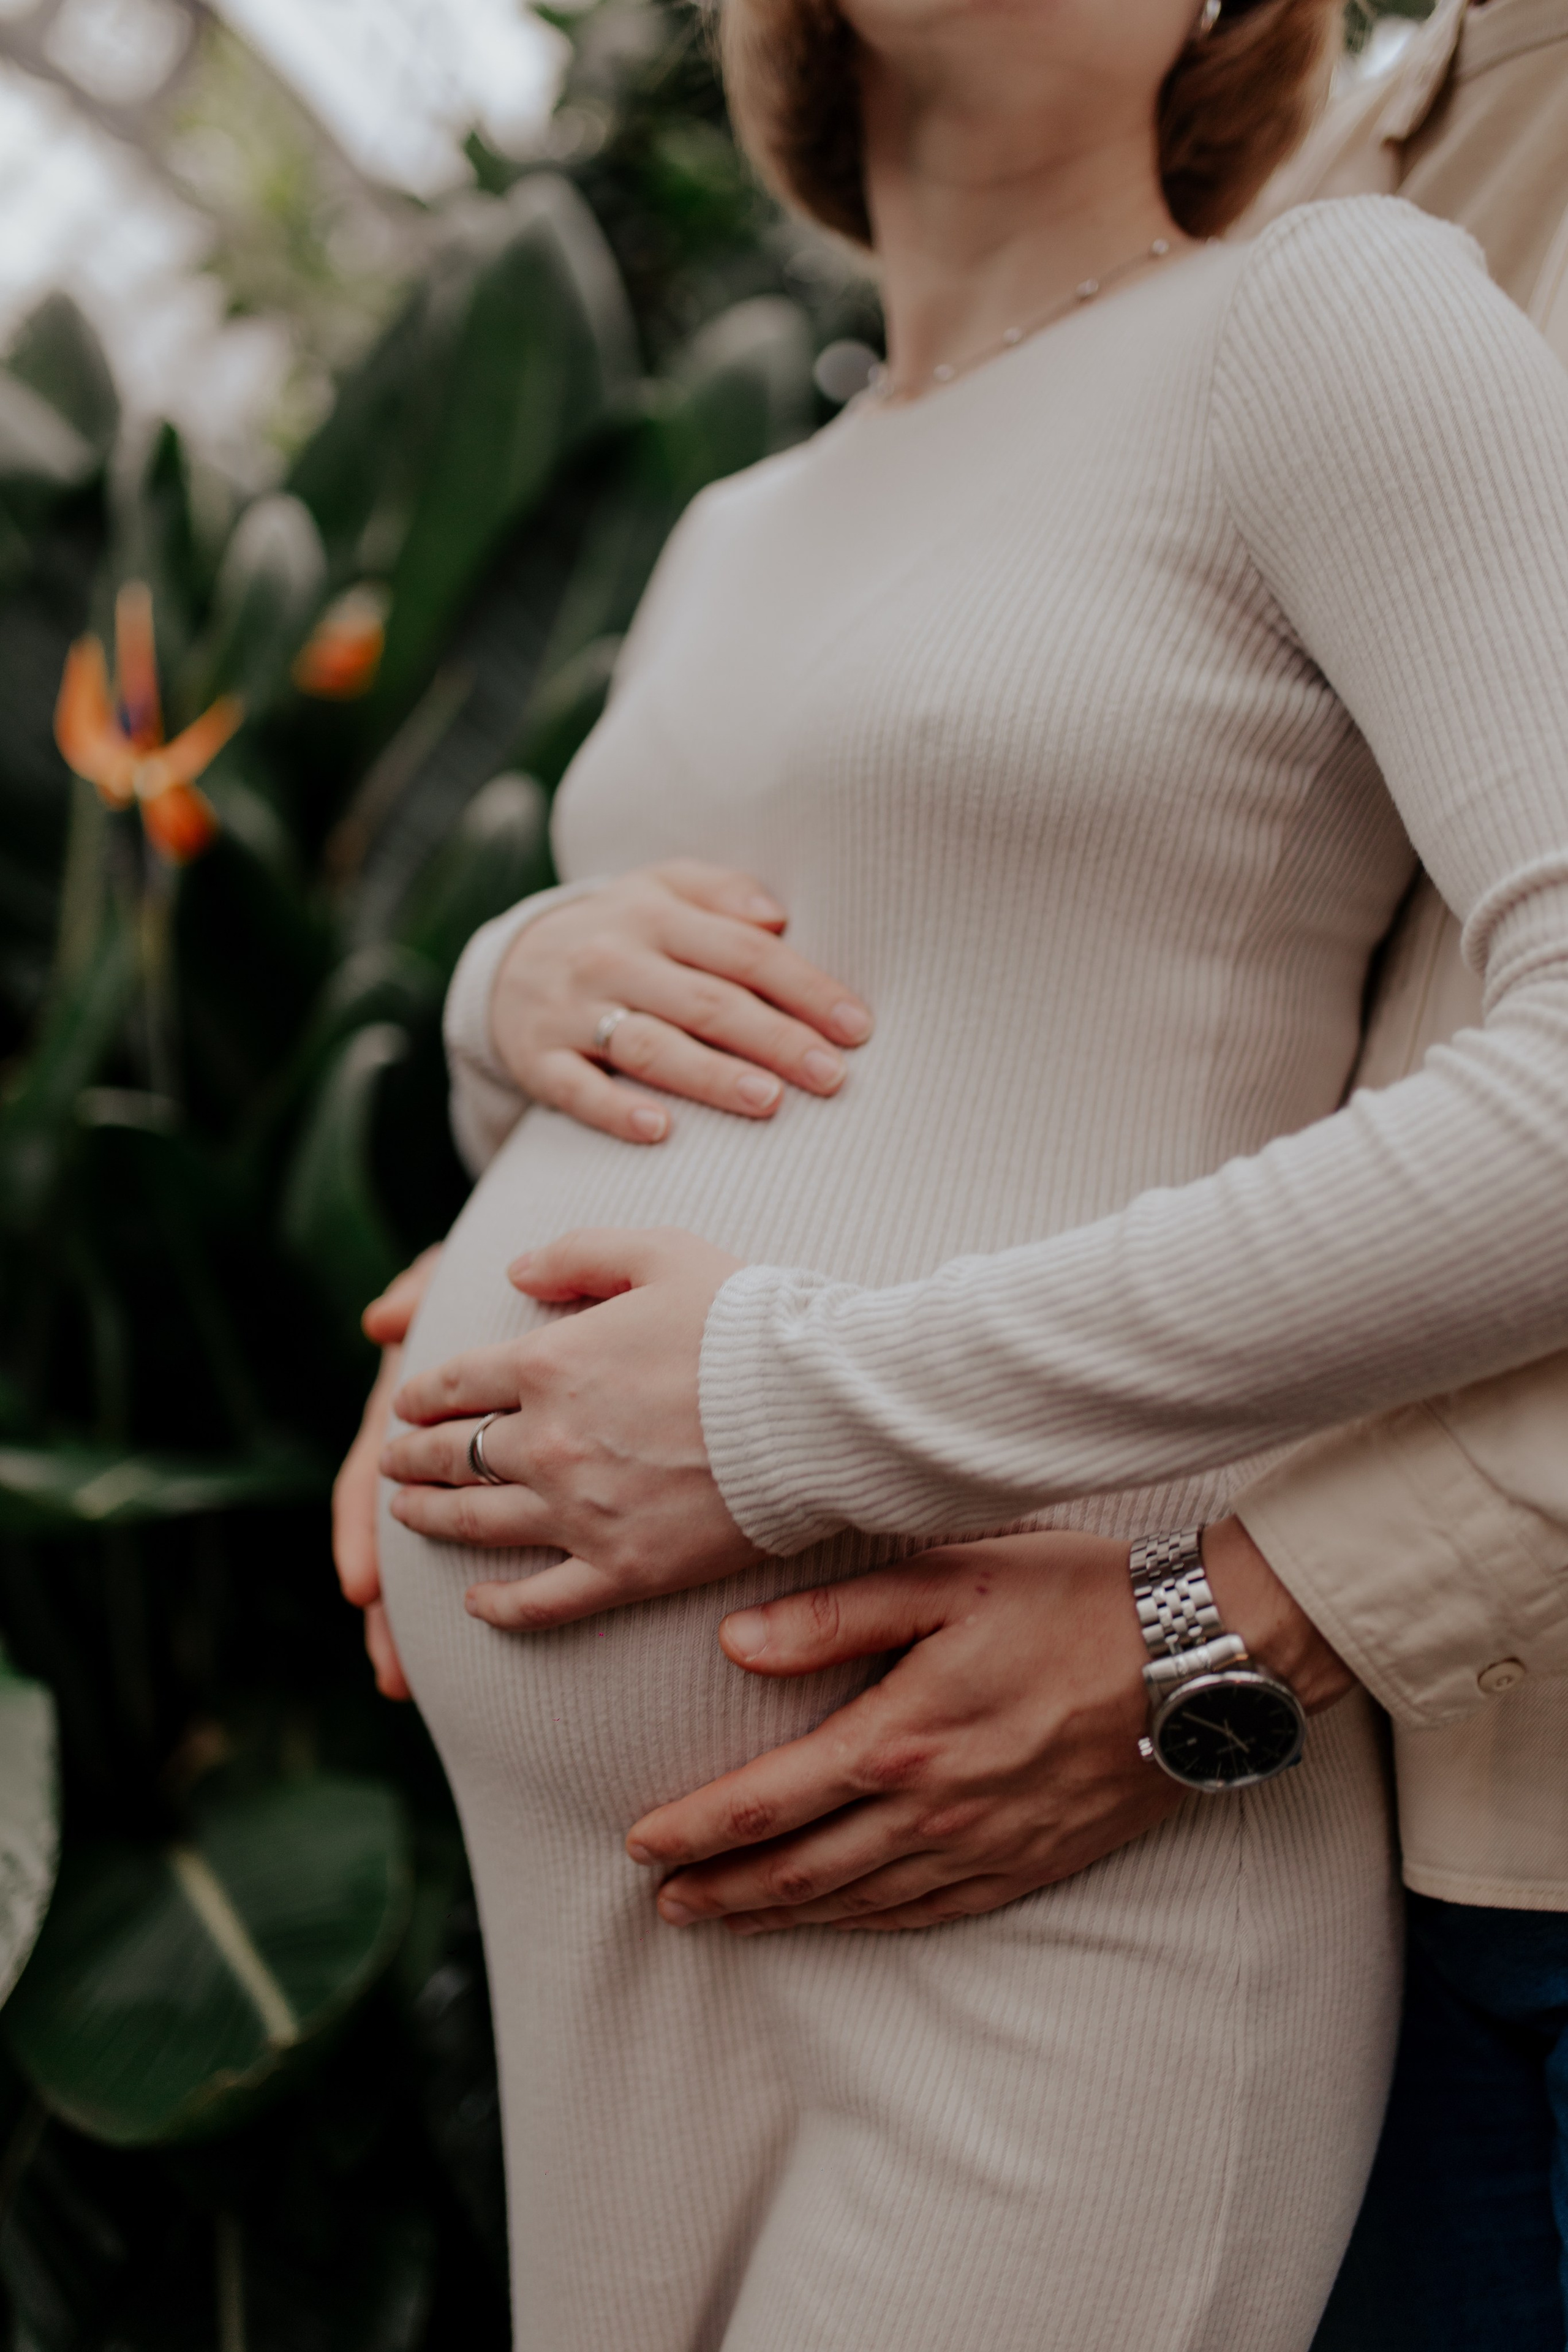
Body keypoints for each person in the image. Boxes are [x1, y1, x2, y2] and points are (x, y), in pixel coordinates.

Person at [336, 0, 1568, 2342]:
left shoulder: (1336, 314)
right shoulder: (730, 522)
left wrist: (779, 1412)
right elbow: (805, 1016)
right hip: (584, 1902)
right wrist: (512, 1001)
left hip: (1048, 1890)